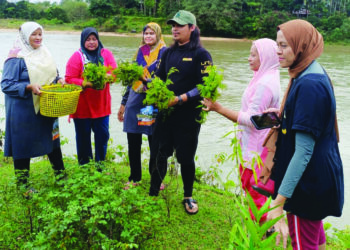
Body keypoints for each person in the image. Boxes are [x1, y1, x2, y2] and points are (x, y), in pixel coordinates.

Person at [266, 19, 344, 249]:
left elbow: (303, 152)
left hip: (306, 184)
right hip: (315, 177)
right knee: (314, 240)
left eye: (284, 46)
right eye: (276, 45)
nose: (277, 52)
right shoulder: (309, 71)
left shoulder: (309, 84)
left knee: (302, 243)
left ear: (301, 46)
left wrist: (278, 203)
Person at [202, 38, 280, 222]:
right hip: (259, 146)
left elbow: (252, 120)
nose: (248, 58)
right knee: (255, 193)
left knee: (255, 194)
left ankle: (258, 235)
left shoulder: (264, 84)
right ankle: (260, 230)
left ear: (266, 57)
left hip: (256, 149)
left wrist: (218, 108)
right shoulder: (269, 76)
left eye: (254, 54)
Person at [149, 10, 213, 215]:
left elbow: (206, 86)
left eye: (180, 25)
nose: (174, 29)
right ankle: (153, 192)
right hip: (166, 115)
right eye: (172, 25)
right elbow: (158, 78)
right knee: (159, 152)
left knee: (186, 157)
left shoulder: (201, 55)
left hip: (188, 117)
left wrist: (181, 98)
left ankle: (187, 195)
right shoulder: (167, 52)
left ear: (192, 28)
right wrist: (146, 83)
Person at [1, 22, 64, 190]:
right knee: (22, 146)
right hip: (23, 111)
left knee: (53, 141)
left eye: (40, 34)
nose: (38, 38)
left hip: (46, 106)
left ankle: (61, 177)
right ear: (25, 36)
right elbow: (6, 85)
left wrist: (58, 80)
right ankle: (24, 187)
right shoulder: (16, 58)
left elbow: (53, 73)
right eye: (34, 34)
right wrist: (28, 87)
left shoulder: (44, 53)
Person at [117, 23, 167, 188]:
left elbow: (166, 78)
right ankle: (135, 177)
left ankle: (156, 177)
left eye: (152, 33)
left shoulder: (164, 52)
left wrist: (149, 82)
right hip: (134, 101)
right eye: (146, 33)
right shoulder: (140, 51)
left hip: (150, 103)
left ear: (158, 35)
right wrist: (123, 103)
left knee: (154, 140)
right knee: (133, 140)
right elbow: (132, 78)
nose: (148, 37)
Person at [65, 27, 117, 166]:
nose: (92, 42)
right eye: (88, 40)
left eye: (94, 39)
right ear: (83, 41)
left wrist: (108, 77)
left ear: (98, 39)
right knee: (83, 139)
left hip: (102, 107)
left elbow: (115, 73)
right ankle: (85, 168)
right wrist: (85, 83)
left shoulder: (106, 54)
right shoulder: (77, 56)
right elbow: (69, 79)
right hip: (82, 108)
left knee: (102, 137)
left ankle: (100, 166)